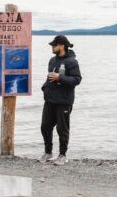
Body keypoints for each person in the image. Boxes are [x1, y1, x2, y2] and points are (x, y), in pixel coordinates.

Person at [39, 35, 82, 165]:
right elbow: (49, 77)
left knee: (62, 130)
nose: (52, 47)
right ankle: (48, 153)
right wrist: (45, 88)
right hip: (50, 100)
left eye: (54, 45)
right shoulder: (52, 60)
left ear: (62, 46)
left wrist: (60, 78)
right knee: (45, 127)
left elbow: (77, 80)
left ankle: (63, 155)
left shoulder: (72, 62)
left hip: (64, 101)